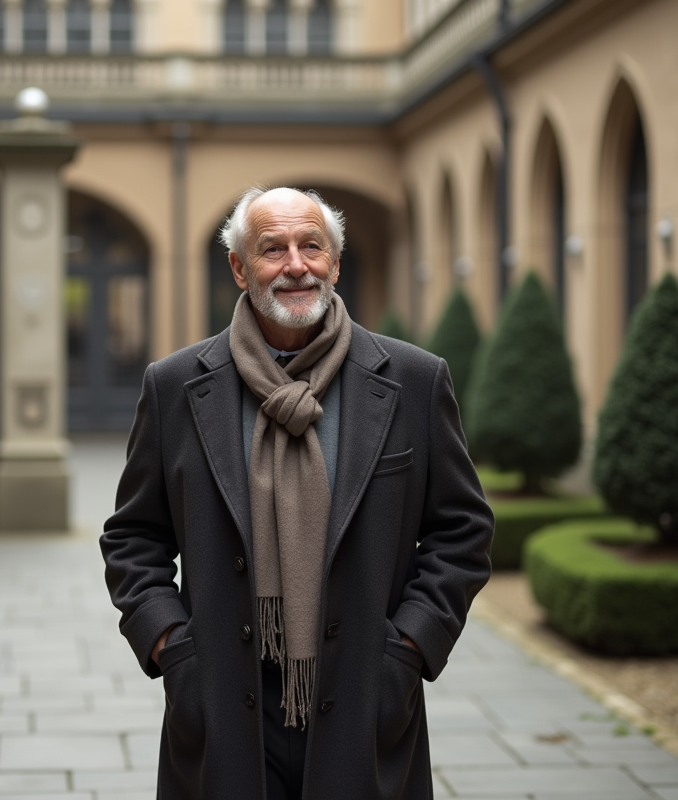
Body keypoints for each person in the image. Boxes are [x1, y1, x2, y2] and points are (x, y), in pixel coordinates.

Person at [100, 186, 494, 800]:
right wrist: (173, 652)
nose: (295, 264)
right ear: (238, 268)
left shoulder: (414, 380)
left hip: (367, 702)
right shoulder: (175, 387)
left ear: (334, 264)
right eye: (271, 248)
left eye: (312, 246)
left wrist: (408, 649)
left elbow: (463, 532)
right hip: (223, 710)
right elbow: (132, 539)